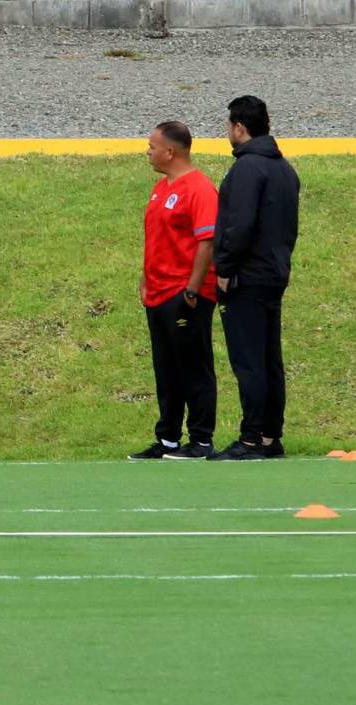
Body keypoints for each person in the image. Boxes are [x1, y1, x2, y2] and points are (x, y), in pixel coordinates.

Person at [209, 96, 301, 461]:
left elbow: (239, 225)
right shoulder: (285, 169)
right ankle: (269, 437)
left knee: (248, 360)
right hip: (273, 273)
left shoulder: (248, 169)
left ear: (239, 127)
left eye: (229, 126)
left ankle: (250, 439)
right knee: (268, 359)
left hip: (246, 277)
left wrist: (225, 269)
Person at [129, 121, 219, 461]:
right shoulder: (159, 188)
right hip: (157, 291)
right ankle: (167, 438)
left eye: (152, 145)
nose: (147, 151)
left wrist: (193, 290)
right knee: (165, 368)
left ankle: (201, 439)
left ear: (171, 151)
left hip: (184, 292)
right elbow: (156, 239)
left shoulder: (199, 189)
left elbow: (206, 242)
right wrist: (145, 278)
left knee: (193, 367)